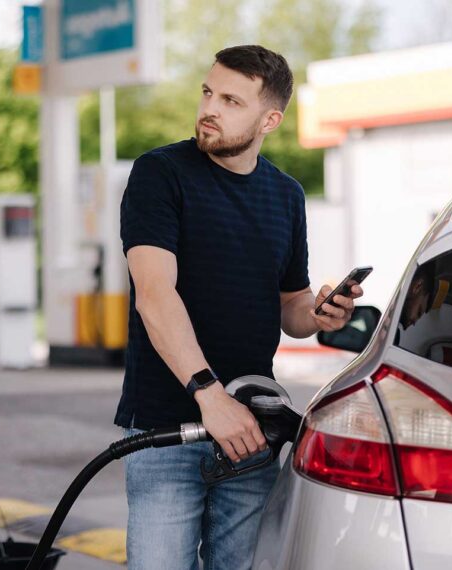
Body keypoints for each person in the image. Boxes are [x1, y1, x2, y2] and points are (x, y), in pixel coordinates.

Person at [116, 45, 363, 570]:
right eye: (209, 92)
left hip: (253, 431)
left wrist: (318, 315)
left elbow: (291, 307)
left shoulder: (286, 195)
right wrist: (209, 396)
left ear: (269, 119)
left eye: (231, 100)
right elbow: (155, 295)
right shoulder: (160, 174)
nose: (211, 108)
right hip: (167, 431)